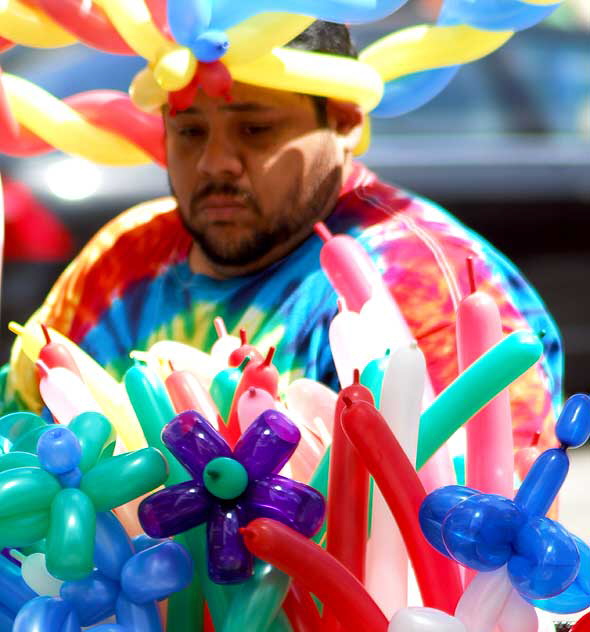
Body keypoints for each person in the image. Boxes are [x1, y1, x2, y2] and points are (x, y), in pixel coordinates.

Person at [2, 21, 561, 456]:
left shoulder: (413, 279)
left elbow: (477, 541)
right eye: (191, 131)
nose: (216, 163)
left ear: (342, 120)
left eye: (255, 128)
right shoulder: (123, 262)